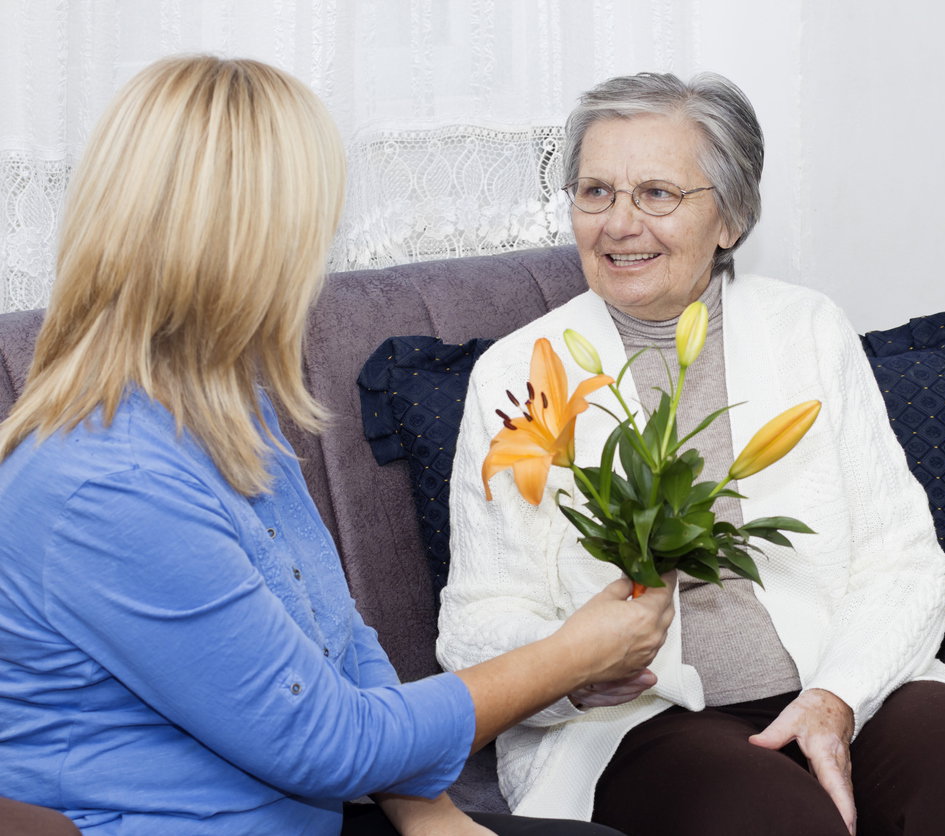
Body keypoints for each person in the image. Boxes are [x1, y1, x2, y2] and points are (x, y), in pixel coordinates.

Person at [0, 55, 675, 836]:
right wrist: (569, 658)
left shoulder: (224, 404)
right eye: (310, 223)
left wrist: (428, 813)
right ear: (244, 242)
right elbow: (328, 743)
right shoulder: (103, 485)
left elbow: (341, 637)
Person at [438, 71, 945, 836]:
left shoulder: (809, 331)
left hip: (837, 680)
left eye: (657, 194)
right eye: (595, 192)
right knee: (768, 817)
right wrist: (573, 668)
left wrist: (837, 698)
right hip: (635, 722)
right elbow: (476, 622)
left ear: (729, 218)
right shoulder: (518, 373)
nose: (619, 224)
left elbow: (903, 561)